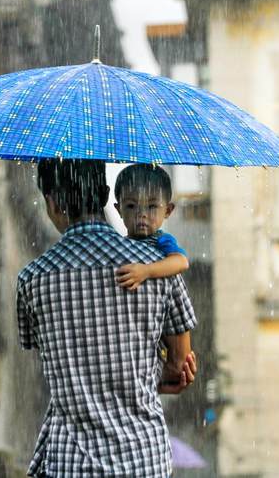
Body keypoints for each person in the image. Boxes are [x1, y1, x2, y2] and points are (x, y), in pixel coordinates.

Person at [16, 158, 198, 478]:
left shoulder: (32, 279)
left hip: (70, 464)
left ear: (52, 202)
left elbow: (53, 360)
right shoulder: (157, 267)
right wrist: (152, 380)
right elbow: (179, 364)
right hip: (144, 461)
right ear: (103, 194)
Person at [113, 164, 189, 291]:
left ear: (167, 211)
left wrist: (146, 271)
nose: (142, 214)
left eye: (152, 206)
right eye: (131, 206)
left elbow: (181, 262)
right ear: (119, 210)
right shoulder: (120, 243)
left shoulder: (161, 240)